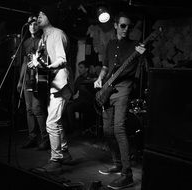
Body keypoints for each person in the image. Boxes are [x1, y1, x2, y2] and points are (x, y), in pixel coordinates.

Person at [93, 12, 146, 189]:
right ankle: (117, 163)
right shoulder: (110, 44)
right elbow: (106, 66)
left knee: (119, 129)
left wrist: (142, 55)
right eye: (122, 25)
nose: (126, 29)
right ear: (116, 25)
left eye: (128, 27)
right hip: (107, 88)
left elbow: (143, 66)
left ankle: (127, 174)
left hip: (123, 89)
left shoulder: (135, 46)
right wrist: (100, 78)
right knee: (107, 131)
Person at [29, 5, 73, 173]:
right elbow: (44, 61)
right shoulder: (43, 38)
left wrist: (46, 67)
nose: (38, 17)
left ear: (50, 17)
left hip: (60, 83)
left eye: (42, 14)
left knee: (51, 122)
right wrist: (36, 63)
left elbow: (61, 60)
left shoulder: (57, 34)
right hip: (52, 84)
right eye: (38, 14)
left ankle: (56, 161)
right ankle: (66, 154)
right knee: (57, 121)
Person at [17, 16, 49, 150]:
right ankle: (32, 138)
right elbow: (25, 62)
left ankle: (45, 139)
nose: (32, 27)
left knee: (37, 108)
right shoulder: (25, 42)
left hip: (39, 77)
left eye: (35, 24)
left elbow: (46, 59)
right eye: (30, 25)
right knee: (29, 109)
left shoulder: (43, 40)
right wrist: (20, 80)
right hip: (27, 79)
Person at [62, 60, 97, 134]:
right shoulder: (79, 78)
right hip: (80, 100)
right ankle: (69, 128)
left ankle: (72, 130)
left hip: (89, 101)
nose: (79, 70)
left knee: (70, 107)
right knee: (65, 106)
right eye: (79, 68)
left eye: (81, 67)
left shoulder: (92, 77)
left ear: (86, 69)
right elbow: (73, 92)